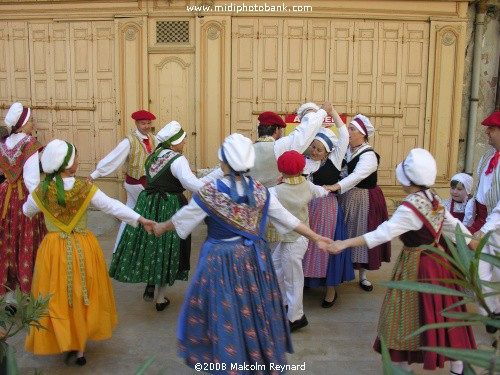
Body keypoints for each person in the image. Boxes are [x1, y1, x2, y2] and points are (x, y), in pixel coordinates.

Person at [153, 134, 333, 373]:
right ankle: (253, 357)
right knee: (253, 310)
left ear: (224, 162)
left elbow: (182, 219)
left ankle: (228, 360)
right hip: (253, 262)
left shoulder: (210, 193)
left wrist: (160, 226)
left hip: (220, 261)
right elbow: (288, 220)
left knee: (224, 312)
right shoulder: (261, 191)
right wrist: (315, 236)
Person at [328, 148, 477, 374]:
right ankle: (457, 367)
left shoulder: (410, 208)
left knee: (405, 318)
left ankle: (402, 367)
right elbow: (455, 228)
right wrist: (475, 244)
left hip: (417, 267)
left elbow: (381, 234)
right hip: (439, 264)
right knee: (443, 310)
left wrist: (344, 243)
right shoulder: (434, 198)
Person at [23, 139, 155, 366]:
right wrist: (139, 218)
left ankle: (65, 340)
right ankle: (80, 349)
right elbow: (112, 205)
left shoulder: (41, 191)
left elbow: (27, 211)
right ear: (67, 164)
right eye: (75, 158)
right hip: (82, 248)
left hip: (53, 250)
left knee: (57, 296)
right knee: (82, 294)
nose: (78, 161)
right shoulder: (84, 188)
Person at [109, 121, 219, 310]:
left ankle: (150, 284)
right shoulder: (177, 160)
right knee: (168, 249)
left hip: (148, 204)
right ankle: (160, 298)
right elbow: (193, 185)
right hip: (169, 205)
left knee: (152, 244)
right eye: (183, 141)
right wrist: (219, 175)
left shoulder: (153, 156)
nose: (184, 144)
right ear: (175, 142)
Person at [248, 104, 331, 246]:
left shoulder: (247, 150)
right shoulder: (279, 146)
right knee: (274, 253)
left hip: (251, 208)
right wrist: (322, 112)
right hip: (273, 206)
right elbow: (304, 133)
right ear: (276, 129)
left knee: (254, 248)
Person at [327, 114, 391, 291]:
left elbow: (356, 177)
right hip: (346, 196)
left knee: (363, 231)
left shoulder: (369, 156)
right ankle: (340, 271)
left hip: (364, 198)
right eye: (349, 128)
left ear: (362, 134)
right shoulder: (349, 149)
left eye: (352, 129)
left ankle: (363, 276)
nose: (349, 131)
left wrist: (335, 187)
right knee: (344, 232)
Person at [269, 150, 330, 331]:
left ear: (281, 170)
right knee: (277, 268)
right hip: (299, 238)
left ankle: (296, 317)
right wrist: (330, 188)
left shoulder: (276, 190)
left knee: (293, 279)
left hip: (292, 240)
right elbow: (322, 192)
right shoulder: (307, 184)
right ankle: (284, 305)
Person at [302, 113, 354, 308]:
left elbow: (344, 136)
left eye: (318, 149)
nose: (314, 151)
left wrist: (332, 113)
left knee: (327, 246)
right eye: (313, 147)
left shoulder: (335, 160)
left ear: (327, 152)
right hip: (311, 207)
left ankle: (331, 289)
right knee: (308, 245)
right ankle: (309, 279)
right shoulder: (307, 162)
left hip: (329, 210)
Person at [88, 110, 158, 252]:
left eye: (148, 123)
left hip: (145, 184)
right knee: (147, 215)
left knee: (129, 215)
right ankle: (144, 250)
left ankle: (118, 248)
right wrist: (96, 173)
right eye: (143, 123)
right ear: (136, 124)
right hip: (137, 185)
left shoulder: (154, 139)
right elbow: (114, 158)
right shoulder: (129, 141)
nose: (146, 126)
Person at [0, 102, 46, 296]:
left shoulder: (3, 144)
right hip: (22, 198)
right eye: (31, 120)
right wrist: (41, 204)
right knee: (27, 244)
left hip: (4, 197)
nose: (33, 124)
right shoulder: (30, 145)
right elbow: (32, 181)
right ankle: (27, 292)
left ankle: (9, 296)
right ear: (23, 123)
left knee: (7, 245)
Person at [468, 110, 500, 331]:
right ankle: (493, 311)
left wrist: (486, 227)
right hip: (484, 221)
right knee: (479, 271)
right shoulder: (487, 156)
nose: (487, 132)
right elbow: (479, 190)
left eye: (492, 129)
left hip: (495, 225)